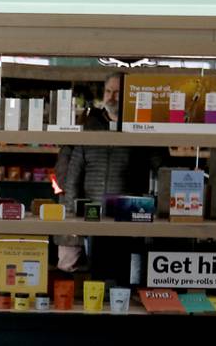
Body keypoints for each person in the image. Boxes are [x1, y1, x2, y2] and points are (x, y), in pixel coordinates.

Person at [57, 73, 161, 275]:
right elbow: (72, 177)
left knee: (125, 272)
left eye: (117, 93)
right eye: (108, 92)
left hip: (128, 215)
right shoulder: (88, 127)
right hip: (92, 214)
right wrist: (71, 217)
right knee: (95, 273)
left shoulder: (143, 126)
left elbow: (162, 167)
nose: (111, 97)